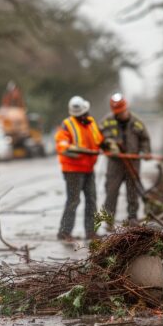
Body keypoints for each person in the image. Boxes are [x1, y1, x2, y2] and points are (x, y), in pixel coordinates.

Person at [55, 96, 104, 240]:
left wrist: (107, 145)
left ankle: (91, 232)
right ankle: (64, 232)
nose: (85, 114)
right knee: (73, 200)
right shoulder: (67, 124)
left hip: (89, 168)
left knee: (92, 199)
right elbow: (62, 145)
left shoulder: (91, 123)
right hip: (73, 170)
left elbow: (99, 139)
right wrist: (75, 150)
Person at [100, 93, 151, 224]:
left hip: (132, 162)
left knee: (132, 191)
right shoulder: (106, 122)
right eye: (117, 112)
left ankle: (132, 218)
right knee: (111, 191)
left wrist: (146, 152)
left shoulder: (137, 123)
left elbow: (145, 139)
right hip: (115, 163)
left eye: (122, 111)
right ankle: (109, 220)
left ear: (126, 108)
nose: (120, 114)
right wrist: (106, 146)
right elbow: (99, 139)